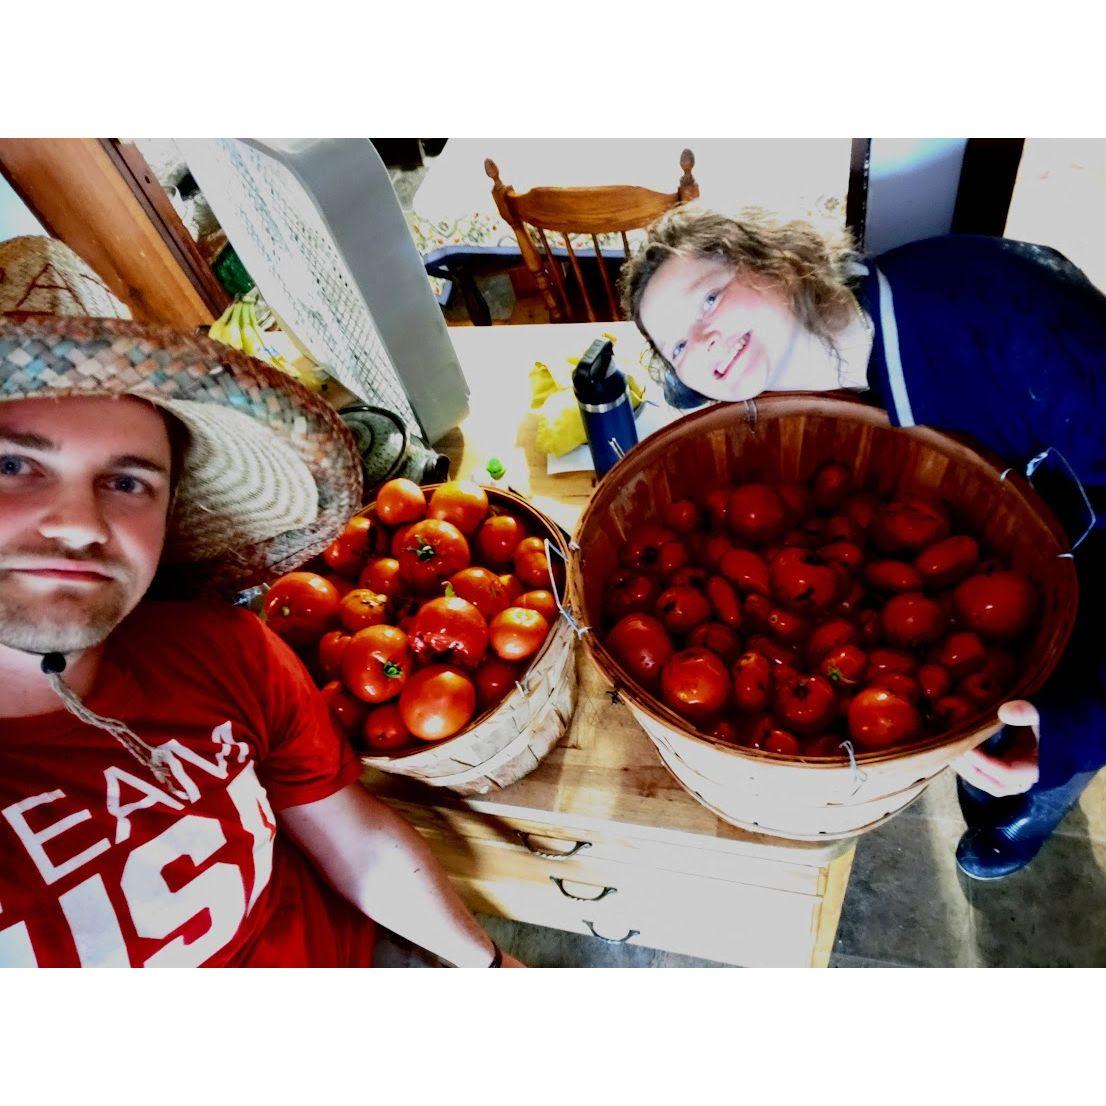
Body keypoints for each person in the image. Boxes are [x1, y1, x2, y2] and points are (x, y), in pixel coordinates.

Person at [0, 236, 521, 967]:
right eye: (13, 464)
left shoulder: (220, 647)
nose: (81, 525)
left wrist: (489, 968)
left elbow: (351, 838)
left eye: (127, 482)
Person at [620, 205, 1106, 880]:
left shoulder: (1008, 319)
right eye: (675, 347)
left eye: (710, 296)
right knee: (996, 711)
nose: (701, 342)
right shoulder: (816, 374)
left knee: (1056, 729)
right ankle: (999, 774)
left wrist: (1086, 727)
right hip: (1001, 588)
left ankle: (1037, 805)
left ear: (778, 263)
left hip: (1097, 571)